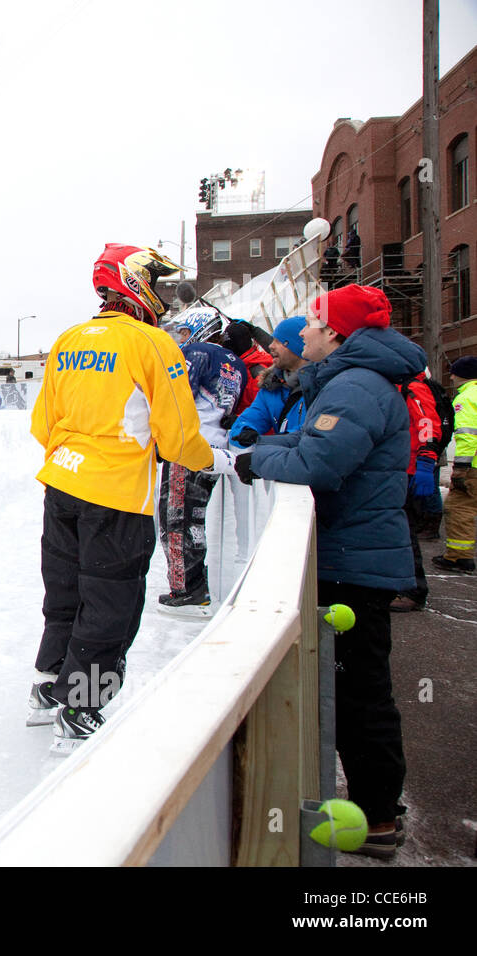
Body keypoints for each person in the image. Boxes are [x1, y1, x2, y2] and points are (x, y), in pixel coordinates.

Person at [234, 284, 424, 858]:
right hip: (352, 555)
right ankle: (377, 809)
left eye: (314, 323)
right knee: (353, 689)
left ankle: (376, 817)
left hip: (354, 563)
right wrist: (267, 448)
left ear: (337, 334)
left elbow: (318, 461)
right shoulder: (348, 381)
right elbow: (303, 439)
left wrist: (256, 459)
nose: (306, 332)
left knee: (359, 694)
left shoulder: (356, 386)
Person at [29, 243, 221, 753]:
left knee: (66, 591)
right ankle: (81, 707)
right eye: (155, 283)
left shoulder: (68, 339)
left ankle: (48, 686)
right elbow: (179, 434)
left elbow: (42, 423)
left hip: (61, 484)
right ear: (133, 282)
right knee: (111, 601)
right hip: (115, 495)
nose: (161, 294)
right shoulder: (153, 342)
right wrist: (210, 460)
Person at [157, 310, 245, 615]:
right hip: (216, 450)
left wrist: (162, 439)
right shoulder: (236, 362)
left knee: (176, 519)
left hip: (189, 448)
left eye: (184, 332)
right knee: (193, 518)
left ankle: (187, 590)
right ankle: (195, 584)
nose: (182, 338)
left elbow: (177, 398)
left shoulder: (196, 353)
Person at [391, 371, 443, 610]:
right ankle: (405, 587)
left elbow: (427, 424)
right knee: (399, 530)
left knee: (404, 531)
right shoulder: (402, 385)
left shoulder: (413, 387)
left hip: (410, 470)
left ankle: (413, 591)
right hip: (402, 469)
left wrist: (425, 462)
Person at [228, 316, 309, 447]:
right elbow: (253, 416)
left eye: (278, 341)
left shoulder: (319, 384)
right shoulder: (272, 386)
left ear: (297, 346)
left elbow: (307, 438)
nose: (271, 346)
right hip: (282, 455)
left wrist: (265, 442)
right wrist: (245, 429)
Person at [432, 355, 477, 574]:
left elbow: (467, 435)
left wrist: (460, 468)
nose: (451, 377)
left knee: (459, 508)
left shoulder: (466, 398)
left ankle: (459, 557)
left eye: (454, 373)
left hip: (473, 467)